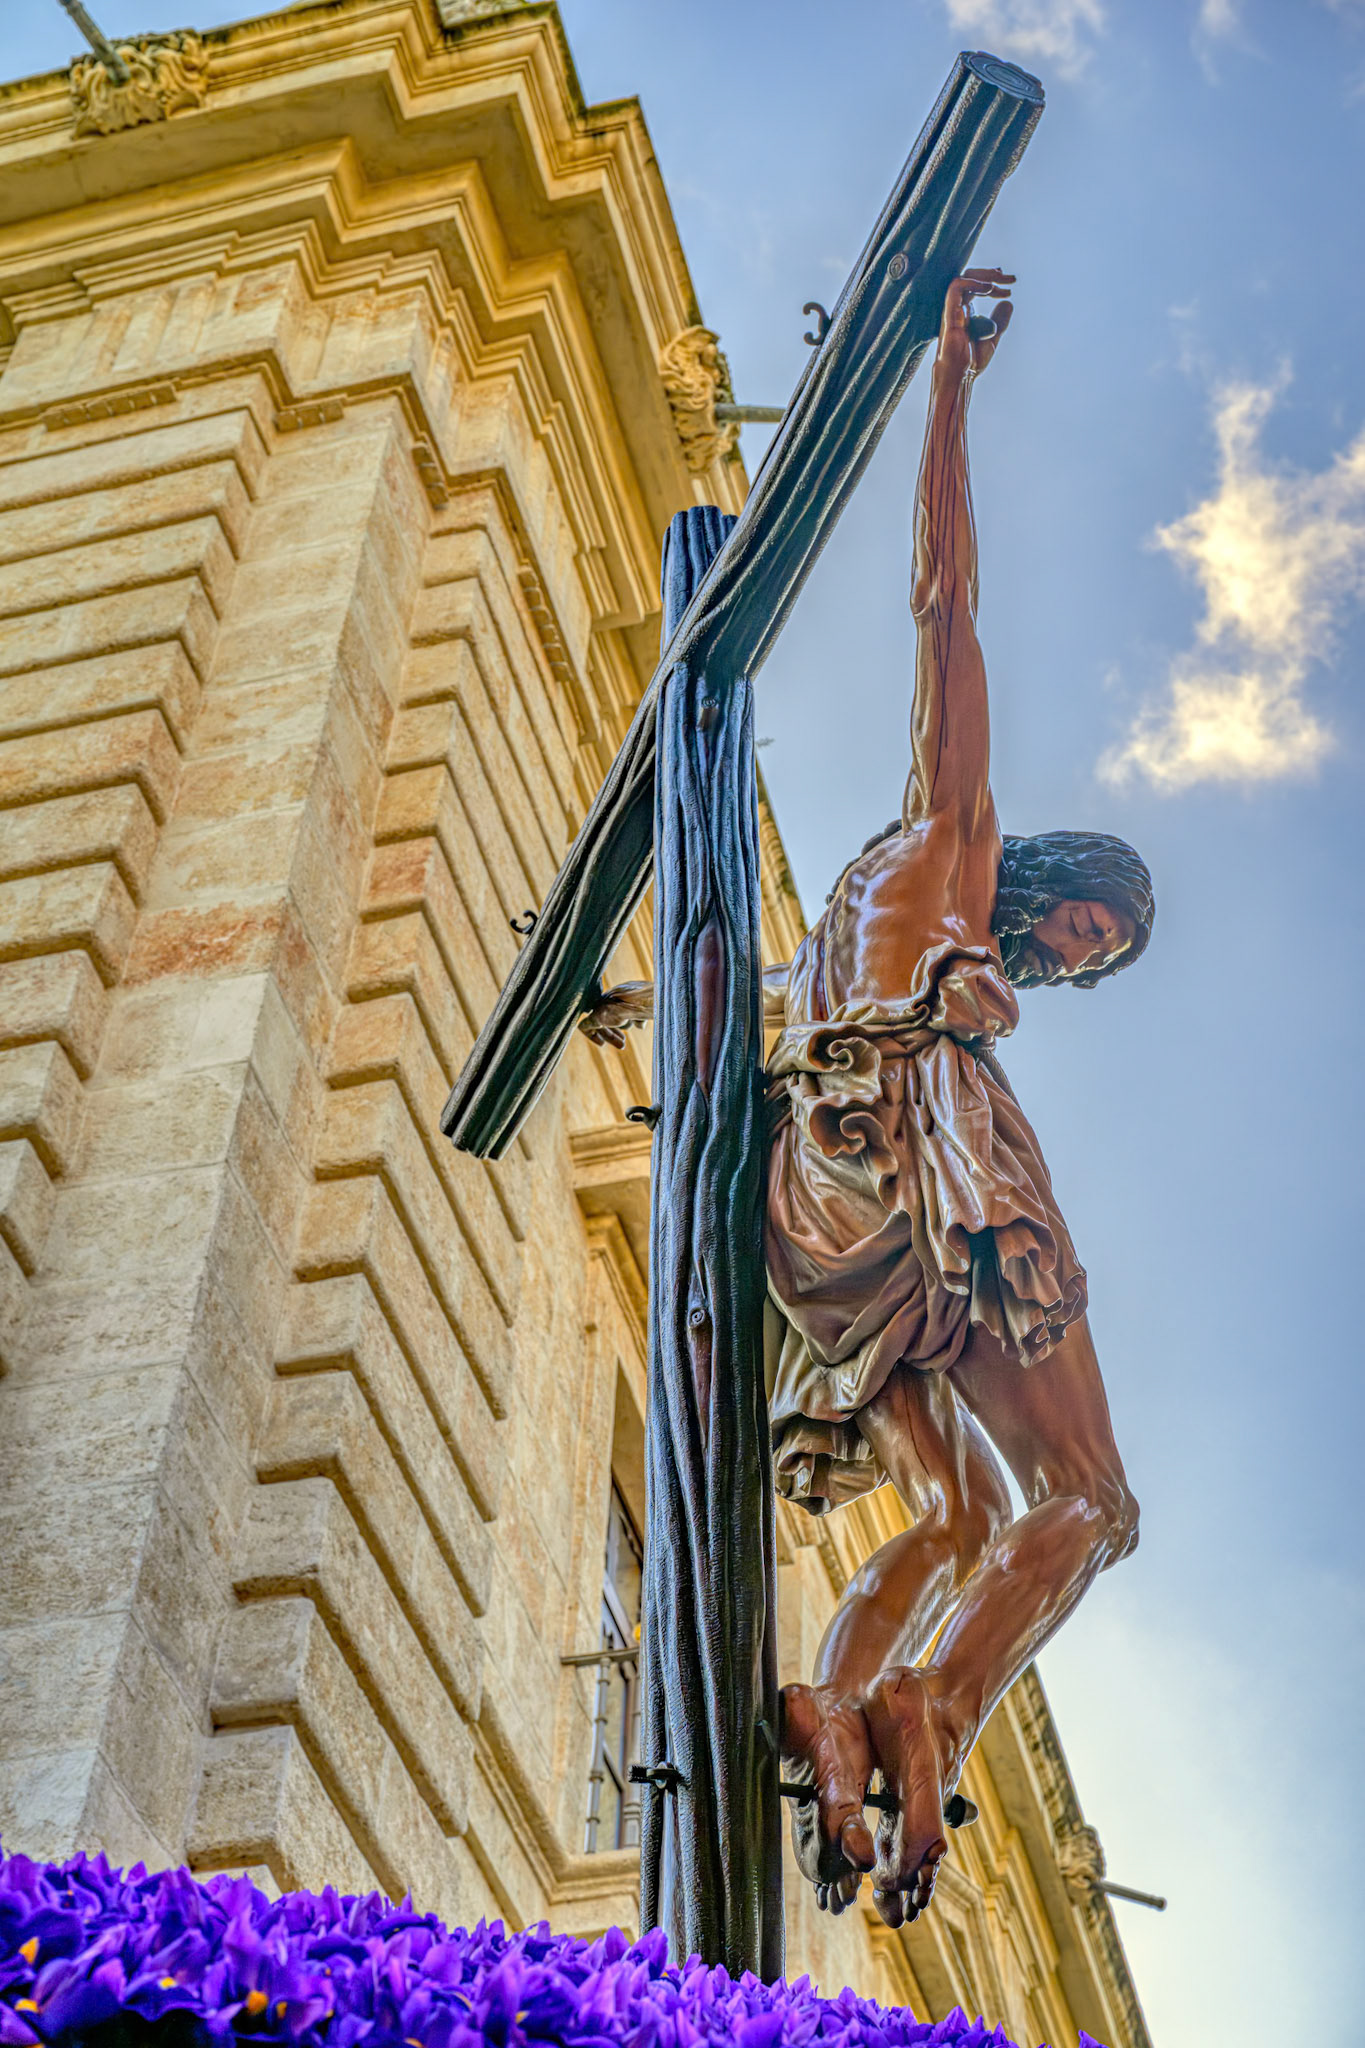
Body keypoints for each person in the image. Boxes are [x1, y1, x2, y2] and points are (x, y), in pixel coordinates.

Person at [580, 270, 1152, 1931]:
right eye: (1076, 921)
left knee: (965, 1509)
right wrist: (947, 392)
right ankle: (933, 1707)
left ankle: (837, 1700)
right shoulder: (950, 838)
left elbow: (747, 1016)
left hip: (811, 1214)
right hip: (924, 1160)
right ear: (1037, 870)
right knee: (1088, 1501)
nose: (1061, 951)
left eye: (1081, 957)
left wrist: (633, 1013)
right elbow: (942, 605)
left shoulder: (846, 916)